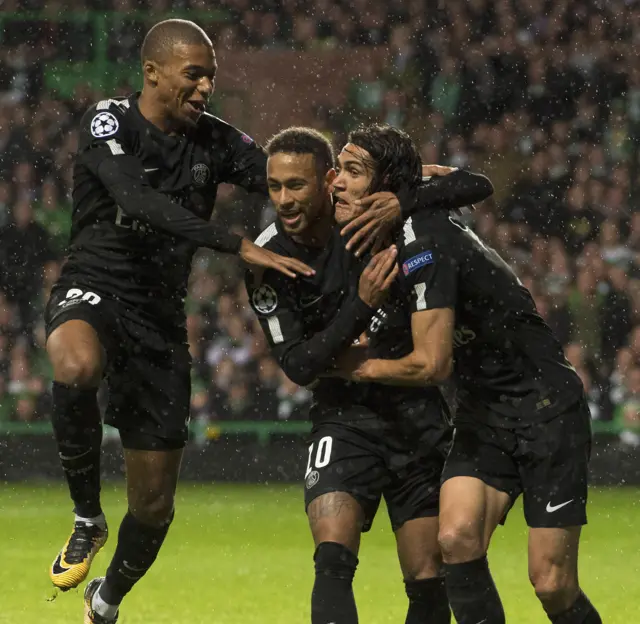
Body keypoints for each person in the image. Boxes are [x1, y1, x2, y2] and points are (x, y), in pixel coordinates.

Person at [44, 18, 324, 624]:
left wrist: (365, 179)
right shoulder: (108, 121)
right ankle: (87, 518)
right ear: (152, 72)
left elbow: (283, 171)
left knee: (153, 507)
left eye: (211, 78)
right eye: (193, 75)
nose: (204, 88)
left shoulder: (217, 141)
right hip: (94, 285)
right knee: (74, 366)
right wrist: (235, 242)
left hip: (159, 317)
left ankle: (108, 599)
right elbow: (136, 200)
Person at [334, 125, 602, 624]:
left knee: (551, 582)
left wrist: (354, 366)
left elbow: (432, 364)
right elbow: (467, 183)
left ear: (388, 185)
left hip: (545, 407)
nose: (337, 182)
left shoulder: (424, 239)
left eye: (353, 172)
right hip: (482, 413)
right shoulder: (393, 235)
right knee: (455, 537)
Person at [245, 126, 492, 624]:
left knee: (426, 580)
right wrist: (361, 306)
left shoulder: (367, 211)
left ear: (329, 181)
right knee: (332, 558)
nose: (285, 200)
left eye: (297, 186)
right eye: (275, 187)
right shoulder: (268, 257)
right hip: (344, 418)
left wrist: (401, 199)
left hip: (416, 411)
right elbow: (298, 365)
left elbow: (474, 185)